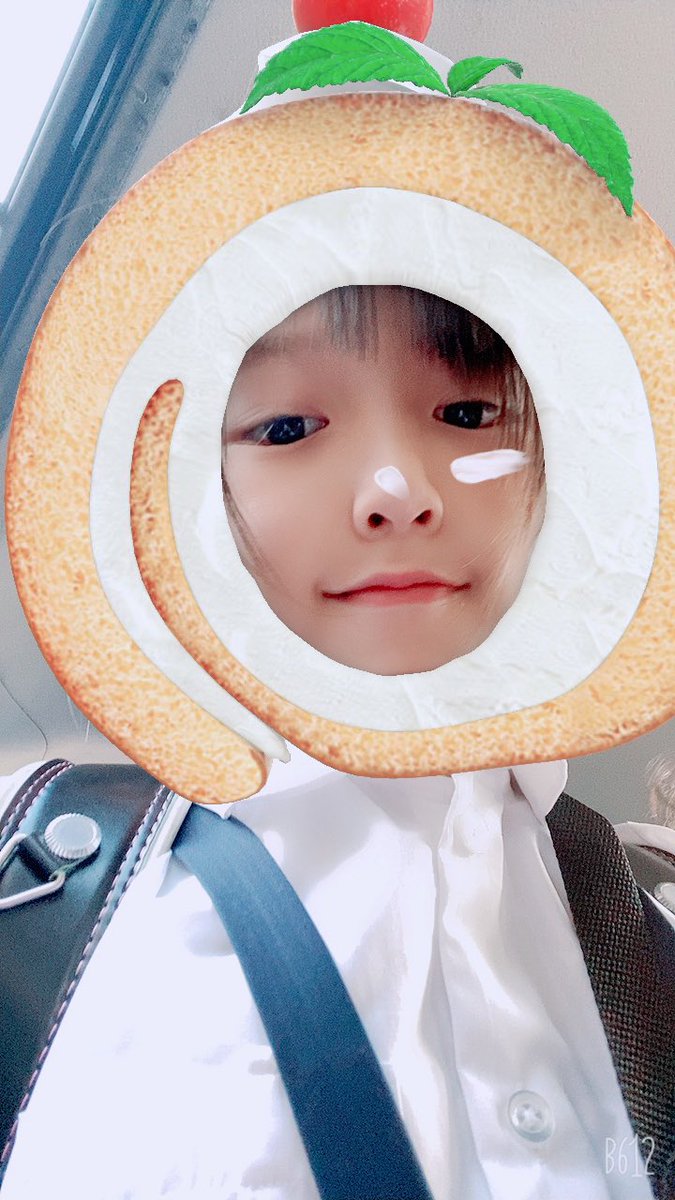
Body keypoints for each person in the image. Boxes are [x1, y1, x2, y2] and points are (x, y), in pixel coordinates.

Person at [1, 287, 675, 1200]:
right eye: (286, 429)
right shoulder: (36, 883)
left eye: (467, 414)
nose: (398, 492)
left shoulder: (649, 915)